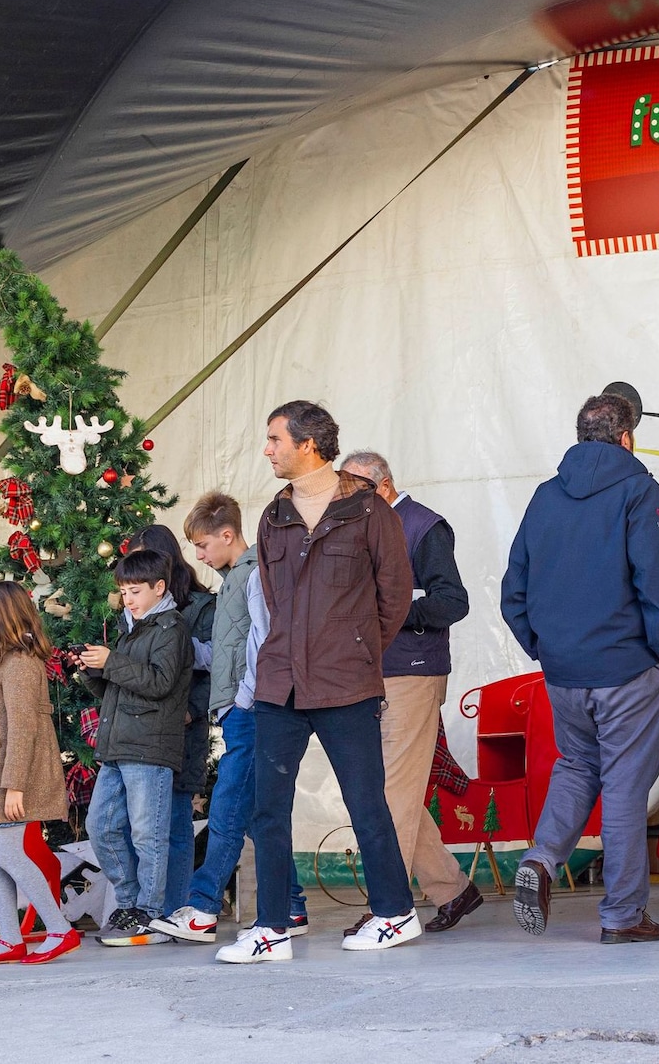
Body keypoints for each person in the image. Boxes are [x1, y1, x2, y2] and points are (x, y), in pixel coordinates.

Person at [219, 401, 418, 965]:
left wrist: (355, 647)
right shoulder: (273, 515)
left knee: (365, 801)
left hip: (347, 681)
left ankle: (395, 913)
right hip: (280, 682)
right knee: (268, 808)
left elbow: (394, 595)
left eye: (274, 439)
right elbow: (277, 601)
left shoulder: (369, 511)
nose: (267, 449)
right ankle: (271, 929)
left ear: (307, 443)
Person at [502, 393, 659, 944]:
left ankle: (541, 859)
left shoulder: (545, 496)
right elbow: (657, 584)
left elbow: (513, 591)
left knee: (578, 765)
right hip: (630, 667)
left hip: (564, 671)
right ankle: (624, 914)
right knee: (626, 786)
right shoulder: (639, 491)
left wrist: (547, 648)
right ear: (627, 436)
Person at [152, 493, 308, 943]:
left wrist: (243, 699)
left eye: (202, 545)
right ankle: (292, 905)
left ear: (227, 534)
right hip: (241, 708)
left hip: (252, 710)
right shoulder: (231, 581)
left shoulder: (253, 576)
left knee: (227, 807)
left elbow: (265, 642)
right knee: (259, 814)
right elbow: (228, 650)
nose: (197, 556)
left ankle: (201, 908)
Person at [339, 451, 482, 933]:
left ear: (381, 487)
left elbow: (453, 601)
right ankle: (454, 890)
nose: (342, 501)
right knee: (391, 792)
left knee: (392, 793)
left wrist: (393, 610)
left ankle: (390, 906)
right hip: (372, 674)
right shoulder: (365, 528)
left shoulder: (424, 527)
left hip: (412, 673)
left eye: (351, 492)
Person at [0, 582, 78, 965]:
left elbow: (23, 728)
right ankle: (10, 938)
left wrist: (15, 786)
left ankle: (59, 929)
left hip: (9, 781)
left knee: (9, 853)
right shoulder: (0, 661)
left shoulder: (20, 663)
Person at [77, 548, 189, 947]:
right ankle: (130, 905)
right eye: (123, 591)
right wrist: (91, 672)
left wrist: (111, 663)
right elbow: (120, 688)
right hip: (118, 747)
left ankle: (150, 912)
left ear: (160, 587)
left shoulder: (170, 628)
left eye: (136, 590)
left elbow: (159, 683)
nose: (128, 599)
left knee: (147, 834)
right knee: (100, 826)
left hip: (150, 748)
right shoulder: (131, 628)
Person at [121, 523, 216, 920]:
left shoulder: (199, 605)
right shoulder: (132, 607)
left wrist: (191, 709)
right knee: (133, 825)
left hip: (182, 725)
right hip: (139, 728)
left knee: (176, 822)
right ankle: (141, 908)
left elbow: (218, 663)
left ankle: (174, 910)